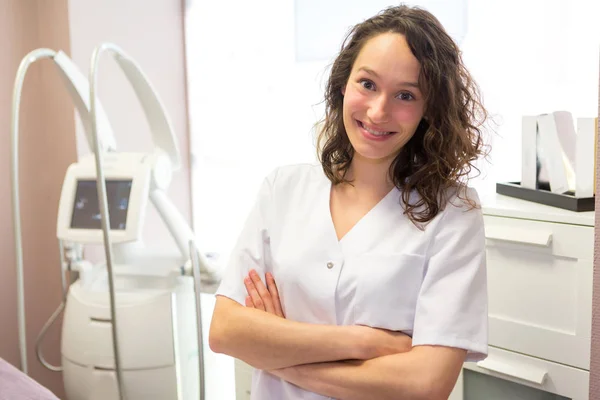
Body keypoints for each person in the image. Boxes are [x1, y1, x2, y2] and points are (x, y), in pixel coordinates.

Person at [209, 5, 488, 400]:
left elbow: (426, 384)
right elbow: (225, 332)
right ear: (344, 84)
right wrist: (365, 343)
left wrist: (274, 350)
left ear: (430, 111)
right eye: (367, 84)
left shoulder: (454, 212)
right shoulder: (284, 189)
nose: (378, 111)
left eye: (405, 95)